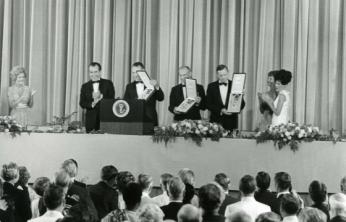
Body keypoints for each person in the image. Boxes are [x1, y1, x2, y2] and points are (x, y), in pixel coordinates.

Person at [123, 62, 164, 127]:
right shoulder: (129, 86)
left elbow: (161, 98)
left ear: (143, 71)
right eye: (133, 72)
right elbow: (126, 103)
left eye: (137, 72)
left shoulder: (152, 84)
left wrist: (157, 86)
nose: (135, 75)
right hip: (134, 120)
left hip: (150, 120)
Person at [206, 64, 245, 131]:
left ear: (228, 73)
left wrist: (241, 97)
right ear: (217, 75)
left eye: (225, 74)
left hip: (231, 122)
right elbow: (208, 104)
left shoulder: (235, 85)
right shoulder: (211, 86)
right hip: (216, 122)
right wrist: (221, 110)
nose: (223, 77)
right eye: (221, 75)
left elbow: (242, 105)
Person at [79, 62, 115, 132]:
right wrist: (92, 104)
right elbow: (82, 103)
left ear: (100, 72)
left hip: (105, 120)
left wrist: (101, 97)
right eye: (91, 72)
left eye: (96, 72)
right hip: (90, 121)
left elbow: (112, 100)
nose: (93, 74)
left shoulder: (108, 83)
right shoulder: (85, 86)